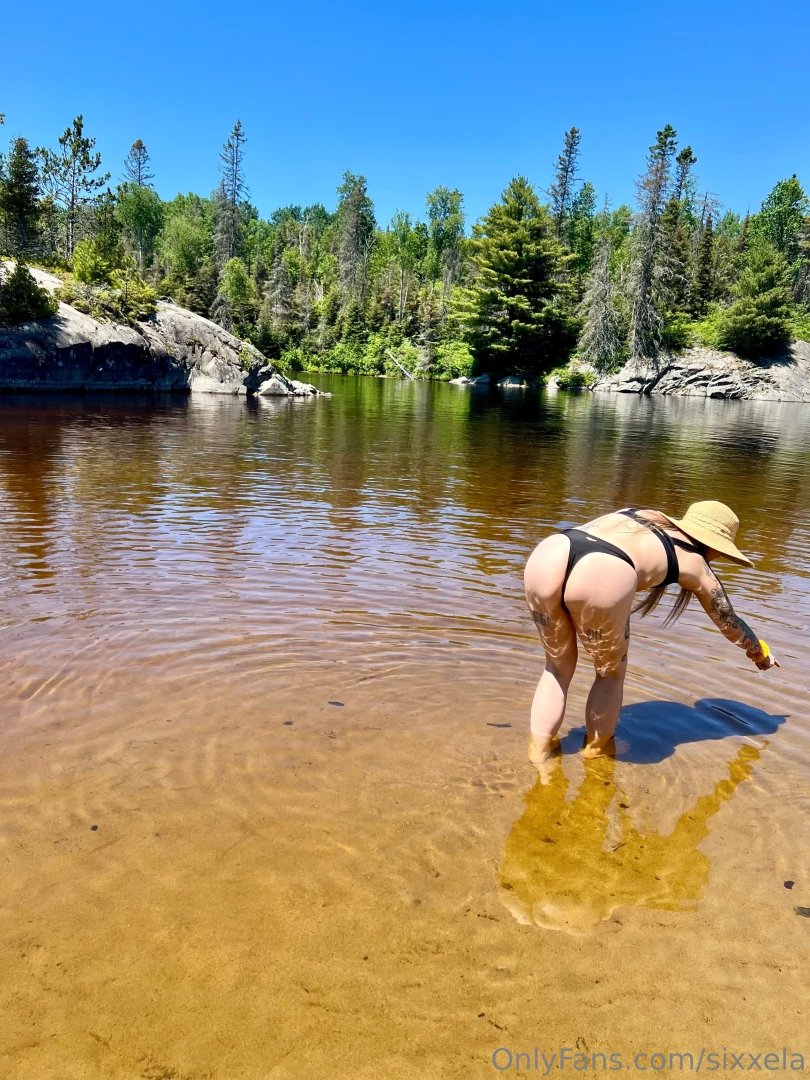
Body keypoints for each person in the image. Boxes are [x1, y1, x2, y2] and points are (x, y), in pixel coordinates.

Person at [523, 502, 780, 765]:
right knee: (610, 674)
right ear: (715, 545)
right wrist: (759, 652)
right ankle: (597, 749)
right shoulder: (694, 562)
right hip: (604, 570)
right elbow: (729, 621)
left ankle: (540, 751)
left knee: (557, 666)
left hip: (551, 552)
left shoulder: (643, 515)